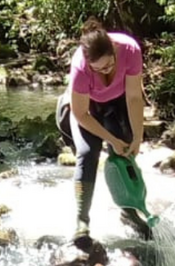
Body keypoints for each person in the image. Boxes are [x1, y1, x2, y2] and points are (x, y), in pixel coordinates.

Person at [56, 17, 151, 245]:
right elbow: (80, 114)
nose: (105, 71)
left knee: (125, 149)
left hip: (117, 103)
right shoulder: (81, 66)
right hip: (87, 110)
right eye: (97, 69)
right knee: (88, 152)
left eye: (109, 65)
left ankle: (128, 211)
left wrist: (137, 136)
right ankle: (82, 222)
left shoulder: (129, 49)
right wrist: (111, 139)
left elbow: (135, 96)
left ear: (114, 50)